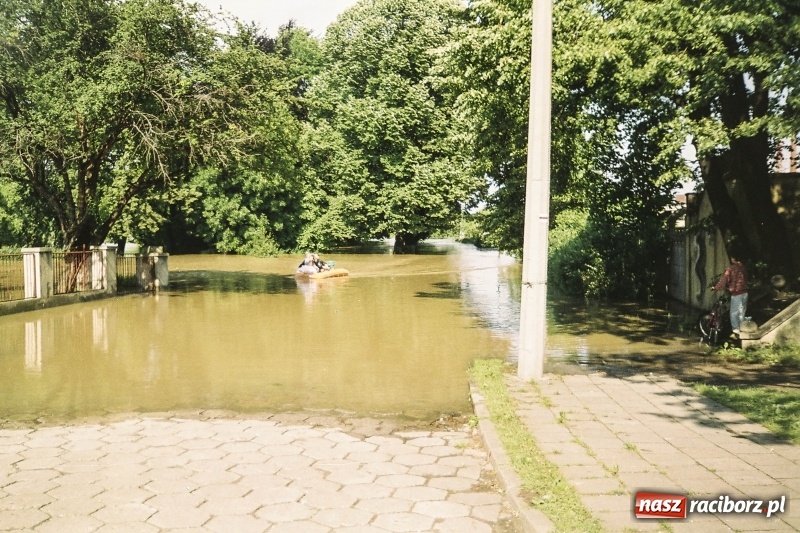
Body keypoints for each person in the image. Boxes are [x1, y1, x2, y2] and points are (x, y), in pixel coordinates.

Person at [711, 253, 748, 334]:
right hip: (745, 293)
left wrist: (715, 287)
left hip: (736, 293)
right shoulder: (743, 267)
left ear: (733, 259)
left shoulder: (731, 269)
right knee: (742, 313)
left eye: (731, 258)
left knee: (734, 313)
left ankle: (735, 331)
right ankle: (742, 329)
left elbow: (723, 280)